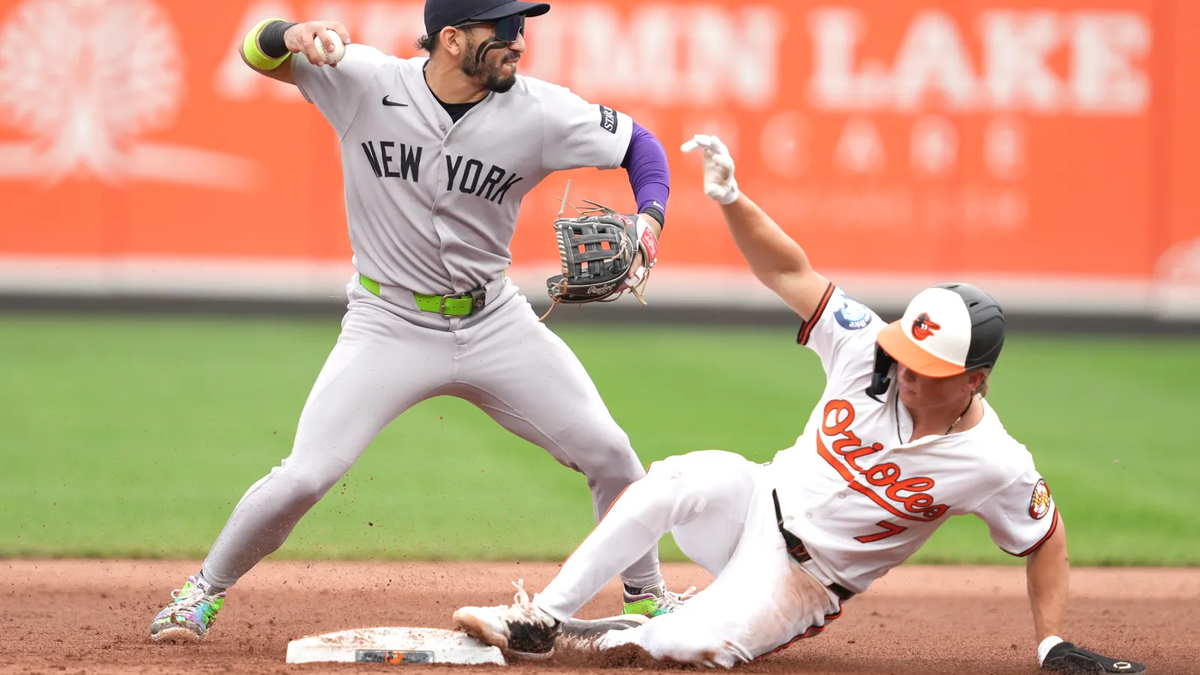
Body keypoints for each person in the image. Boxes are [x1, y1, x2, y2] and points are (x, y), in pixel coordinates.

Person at [451, 135, 1146, 674]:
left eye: (930, 368)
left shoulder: (994, 462)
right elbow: (791, 270)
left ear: (976, 382)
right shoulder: (869, 346)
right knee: (675, 478)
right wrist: (730, 197)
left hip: (803, 581)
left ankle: (646, 627)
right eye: (906, 349)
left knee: (686, 647)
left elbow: (1044, 535)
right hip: (753, 502)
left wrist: (1052, 640)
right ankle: (541, 618)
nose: (906, 369)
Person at [150, 0, 678, 643]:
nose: (518, 40)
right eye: (503, 30)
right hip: (387, 322)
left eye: (522, 28)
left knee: (613, 453)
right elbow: (258, 53)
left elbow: (640, 146)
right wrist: (291, 32)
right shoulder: (366, 81)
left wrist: (650, 219)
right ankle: (198, 594)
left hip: (495, 323)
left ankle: (648, 600)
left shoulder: (540, 110)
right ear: (452, 39)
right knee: (305, 475)